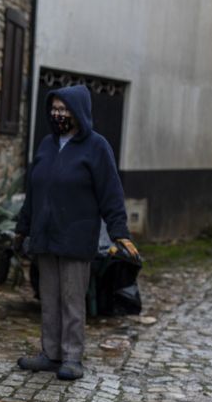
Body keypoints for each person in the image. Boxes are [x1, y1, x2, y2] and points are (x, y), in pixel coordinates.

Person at [14, 84, 139, 381]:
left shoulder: (96, 147)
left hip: (75, 237)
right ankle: (50, 354)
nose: (58, 114)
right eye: (54, 109)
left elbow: (111, 192)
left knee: (72, 299)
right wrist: (22, 230)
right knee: (49, 297)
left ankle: (72, 357)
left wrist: (120, 232)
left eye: (64, 109)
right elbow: (33, 192)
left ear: (78, 112)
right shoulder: (46, 145)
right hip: (45, 236)